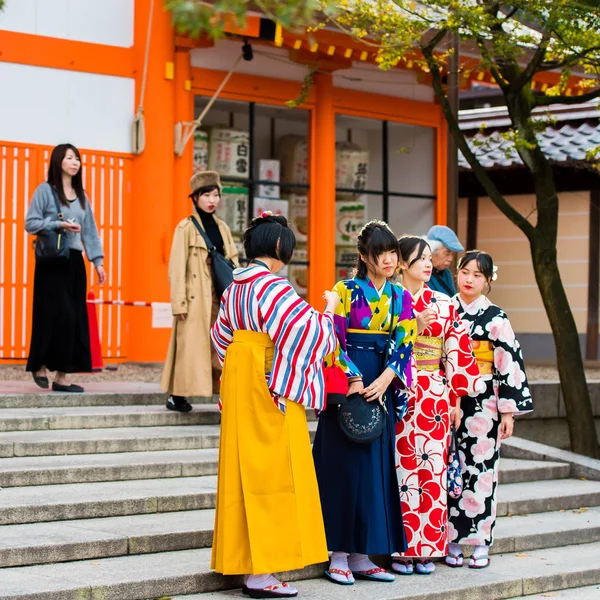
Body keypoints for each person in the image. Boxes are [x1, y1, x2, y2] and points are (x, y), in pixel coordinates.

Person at [210, 212, 339, 599]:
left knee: (243, 468)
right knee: (273, 472)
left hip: (240, 373)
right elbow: (310, 331)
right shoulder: (274, 288)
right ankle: (262, 572)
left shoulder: (234, 287)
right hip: (269, 380)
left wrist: (238, 368)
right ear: (281, 248)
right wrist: (330, 310)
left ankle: (244, 559)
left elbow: (221, 339)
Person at [312, 220, 417, 586]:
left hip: (381, 381)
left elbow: (405, 341)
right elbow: (333, 338)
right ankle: (337, 553)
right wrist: (354, 377)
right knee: (343, 467)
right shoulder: (345, 290)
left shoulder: (401, 296)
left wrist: (387, 378)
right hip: (348, 381)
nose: (389, 260)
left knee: (374, 471)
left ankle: (362, 555)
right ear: (363, 256)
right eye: (380, 253)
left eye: (393, 253)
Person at [393, 235, 482, 575]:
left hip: (434, 392)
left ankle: (427, 548)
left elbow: (456, 352)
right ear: (402, 263)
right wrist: (413, 328)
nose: (428, 264)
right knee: (401, 471)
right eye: (420, 258)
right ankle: (401, 549)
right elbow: (383, 343)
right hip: (399, 388)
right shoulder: (391, 300)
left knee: (433, 470)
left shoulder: (444, 303)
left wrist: (457, 397)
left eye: (431, 258)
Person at [446, 250, 533, 569]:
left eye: (477, 275)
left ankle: (480, 541)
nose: (469, 279)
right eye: (465, 272)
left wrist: (508, 412)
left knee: (481, 470)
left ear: (487, 281)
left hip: (484, 404)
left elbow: (509, 363)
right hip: (447, 399)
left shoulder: (496, 317)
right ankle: (451, 540)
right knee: (449, 468)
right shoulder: (444, 309)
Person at [25, 143, 105, 393]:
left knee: (73, 318)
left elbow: (90, 230)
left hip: (74, 262)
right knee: (49, 314)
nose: (75, 162)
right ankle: (39, 366)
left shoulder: (82, 195)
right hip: (51, 263)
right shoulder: (45, 190)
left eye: (78, 158)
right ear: (58, 160)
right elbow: (31, 223)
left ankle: (63, 376)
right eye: (70, 157)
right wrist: (59, 225)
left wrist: (98, 262)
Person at [161, 171, 238, 412]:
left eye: (215, 194)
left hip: (220, 296)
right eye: (206, 195)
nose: (211, 200)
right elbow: (177, 267)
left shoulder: (223, 227)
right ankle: (177, 395)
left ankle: (222, 392)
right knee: (189, 347)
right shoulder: (185, 228)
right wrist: (179, 302)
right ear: (195, 198)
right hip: (195, 298)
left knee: (221, 345)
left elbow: (232, 260)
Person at [425, 225, 464, 296]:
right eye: (447, 253)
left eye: (453, 254)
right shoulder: (421, 272)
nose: (451, 259)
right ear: (433, 251)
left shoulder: (446, 273)